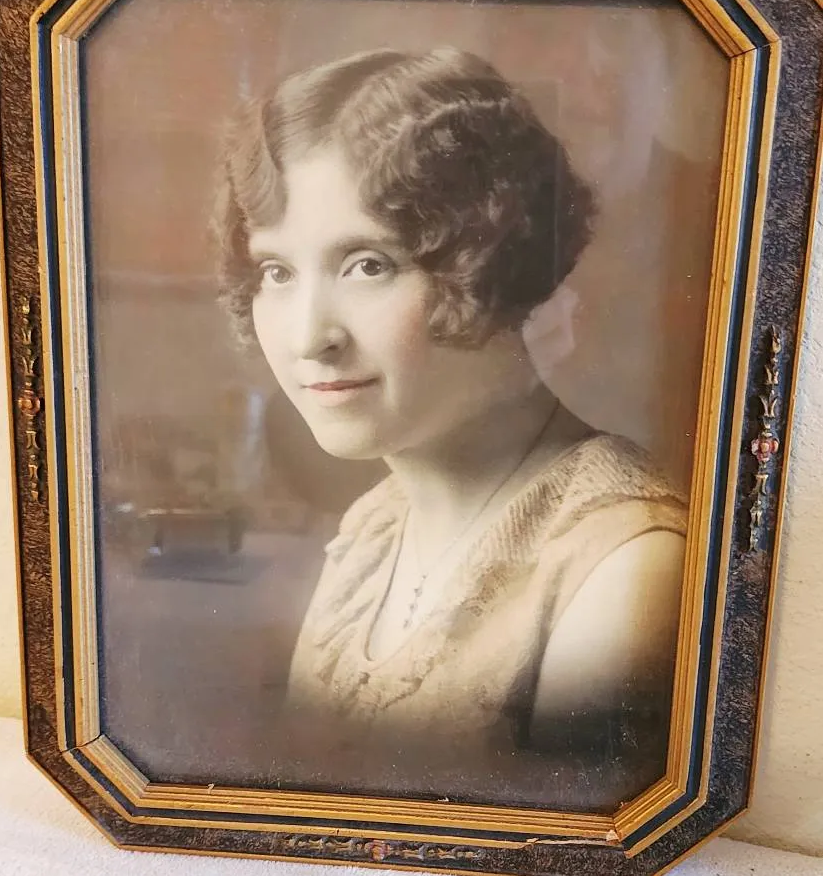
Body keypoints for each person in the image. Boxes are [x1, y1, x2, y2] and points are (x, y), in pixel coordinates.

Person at [214, 47, 687, 805]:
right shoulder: (374, 529)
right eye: (277, 272)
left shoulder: (621, 568)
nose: (307, 337)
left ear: (490, 266)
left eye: (368, 264)